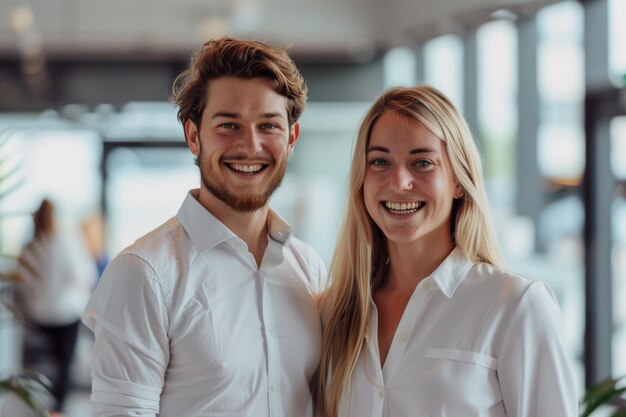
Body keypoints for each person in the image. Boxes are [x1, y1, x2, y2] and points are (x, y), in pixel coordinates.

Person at [82, 37, 326, 417]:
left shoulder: (308, 267)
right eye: (229, 124)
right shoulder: (144, 274)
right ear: (194, 136)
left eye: (269, 126)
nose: (251, 145)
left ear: (291, 138)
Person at [314, 85, 578, 417]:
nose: (399, 181)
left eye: (422, 162)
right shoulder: (333, 313)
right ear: (361, 180)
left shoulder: (516, 306)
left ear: (458, 180)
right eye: (380, 161)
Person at [14, 198, 97, 416]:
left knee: (44, 364)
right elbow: (82, 274)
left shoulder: (29, 246)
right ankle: (57, 410)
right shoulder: (66, 241)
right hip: (65, 313)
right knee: (64, 363)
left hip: (39, 313)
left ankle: (39, 404)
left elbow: (23, 283)